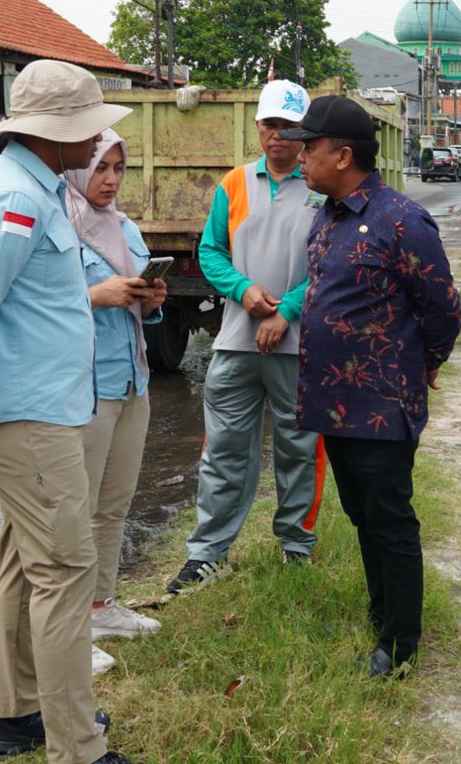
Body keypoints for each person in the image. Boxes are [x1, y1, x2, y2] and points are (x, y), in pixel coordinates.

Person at [0, 59, 135, 764]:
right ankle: (77, 746)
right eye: (86, 133)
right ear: (52, 133)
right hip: (26, 417)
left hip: (39, 410)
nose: (96, 146)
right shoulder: (15, 201)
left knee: (30, 567)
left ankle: (18, 716)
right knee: (65, 572)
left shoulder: (34, 187)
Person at [284, 95, 461, 678]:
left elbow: (442, 310)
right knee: (362, 515)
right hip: (335, 405)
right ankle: (381, 614)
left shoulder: (402, 220)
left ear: (342, 155)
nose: (299, 155)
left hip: (383, 406)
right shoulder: (328, 215)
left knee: (390, 517)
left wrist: (422, 366)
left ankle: (402, 644)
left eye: (309, 147)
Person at [168, 80, 325, 593]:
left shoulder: (321, 187)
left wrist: (288, 310)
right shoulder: (233, 184)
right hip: (236, 341)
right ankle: (208, 554)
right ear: (256, 127)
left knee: (298, 448)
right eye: (269, 125)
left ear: (305, 132)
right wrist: (243, 290)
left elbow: (330, 263)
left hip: (299, 344)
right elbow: (211, 250)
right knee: (224, 450)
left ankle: (296, 547)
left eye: (288, 127)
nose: (277, 136)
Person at [65, 129, 168, 639]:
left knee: (114, 501)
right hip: (84, 386)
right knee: (75, 507)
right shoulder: (58, 224)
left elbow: (143, 309)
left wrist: (151, 301)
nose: (110, 179)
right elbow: (34, 307)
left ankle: (102, 605)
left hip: (132, 379)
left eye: (119, 168)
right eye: (101, 166)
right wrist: (94, 296)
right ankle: (69, 625)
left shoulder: (124, 228)